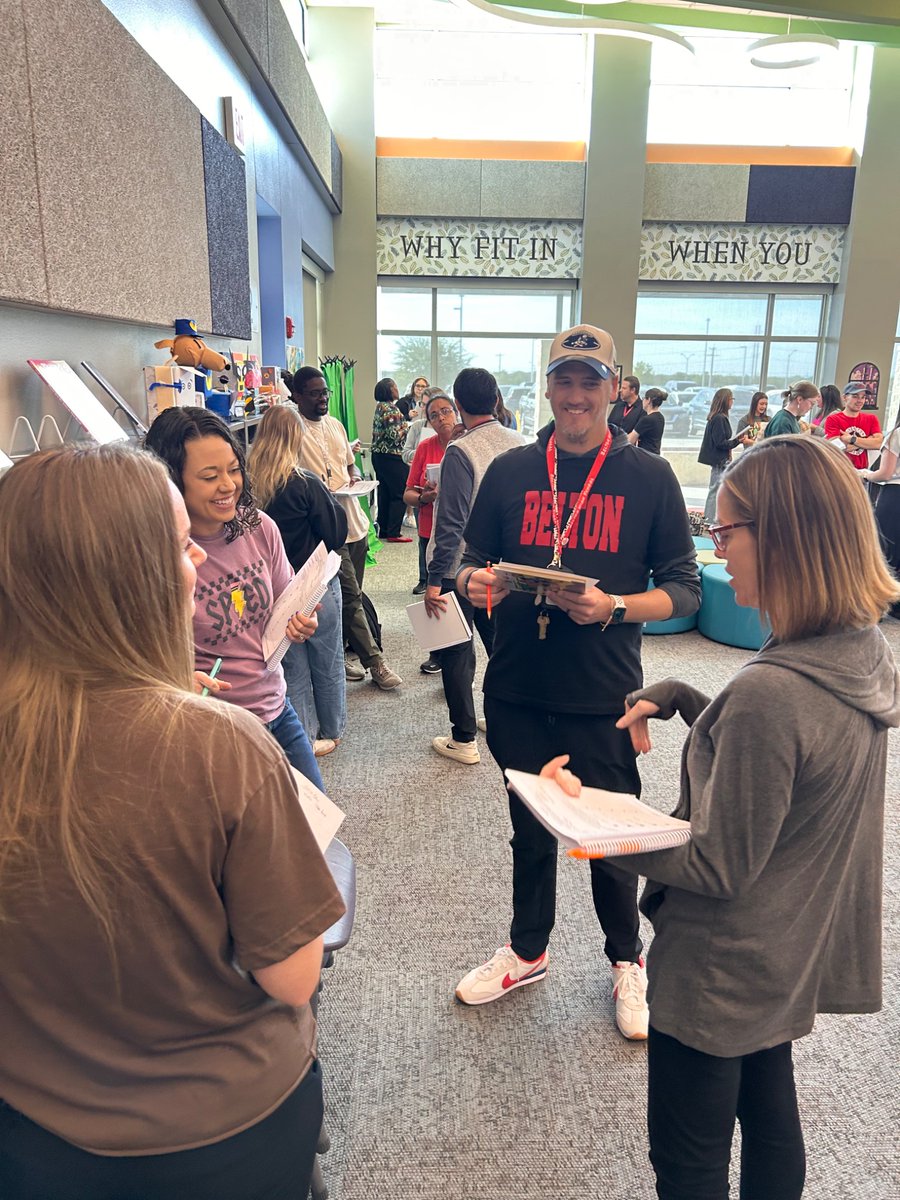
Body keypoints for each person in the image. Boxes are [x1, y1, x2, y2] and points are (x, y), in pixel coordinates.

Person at [544, 435, 899, 1200]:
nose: (718, 548)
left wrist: (593, 828)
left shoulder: (773, 692)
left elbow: (715, 863)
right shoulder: (856, 651)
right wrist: (689, 699)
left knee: (689, 1159)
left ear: (784, 537)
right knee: (771, 1117)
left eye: (726, 530)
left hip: (717, 969)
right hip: (785, 944)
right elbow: (791, 762)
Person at [0, 445, 345, 1200]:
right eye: (176, 540)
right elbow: (291, 976)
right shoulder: (221, 745)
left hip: (36, 1129)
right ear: (134, 575)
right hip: (216, 1131)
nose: (196, 555)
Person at [452, 324, 701, 1039]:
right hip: (518, 685)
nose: (576, 395)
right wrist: (475, 580)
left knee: (607, 839)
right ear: (549, 387)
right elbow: (469, 557)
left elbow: (683, 591)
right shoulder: (513, 470)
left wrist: (615, 605)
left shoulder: (648, 477)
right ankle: (528, 950)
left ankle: (628, 960)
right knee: (528, 832)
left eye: (591, 382)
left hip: (604, 693)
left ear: (615, 389)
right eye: (564, 380)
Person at [144, 407, 324, 788]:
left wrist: (300, 620)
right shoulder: (160, 558)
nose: (228, 485)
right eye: (209, 476)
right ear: (172, 484)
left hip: (275, 705)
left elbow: (284, 601)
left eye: (233, 469)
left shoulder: (258, 527)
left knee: (316, 832)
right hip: (216, 730)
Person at [425, 367, 525, 766]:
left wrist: (433, 580)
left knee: (454, 651)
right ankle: (504, 718)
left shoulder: (460, 451)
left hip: (459, 569)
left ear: (459, 405)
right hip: (506, 567)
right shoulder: (522, 443)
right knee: (501, 646)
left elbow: (450, 521)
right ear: (497, 398)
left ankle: (463, 738)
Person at [291, 367, 402, 691]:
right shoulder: (293, 430)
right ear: (297, 396)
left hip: (354, 521)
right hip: (325, 529)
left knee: (345, 599)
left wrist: (352, 474)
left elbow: (347, 463)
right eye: (314, 392)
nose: (323, 397)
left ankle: (339, 656)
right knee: (350, 596)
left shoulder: (336, 425)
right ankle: (376, 662)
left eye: (324, 391)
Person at [249, 405, 348, 757]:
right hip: (315, 586)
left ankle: (303, 738)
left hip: (273, 591)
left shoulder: (247, 487)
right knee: (328, 658)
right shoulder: (305, 482)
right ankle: (333, 731)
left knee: (292, 668)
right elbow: (337, 534)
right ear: (296, 438)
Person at [403, 390, 457, 608]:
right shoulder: (425, 448)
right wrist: (424, 498)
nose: (441, 418)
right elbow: (408, 493)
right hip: (430, 525)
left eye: (445, 411)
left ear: (456, 413)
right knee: (439, 599)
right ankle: (424, 580)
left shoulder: (466, 444)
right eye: (434, 415)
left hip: (461, 530)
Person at [862, 415, 900, 618]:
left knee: (884, 552)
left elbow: (885, 473)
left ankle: (877, 605)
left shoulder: (897, 435)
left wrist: (866, 474)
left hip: (894, 497)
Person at [698, 388, 752, 521]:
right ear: (726, 401)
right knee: (715, 490)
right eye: (731, 399)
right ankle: (709, 520)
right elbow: (720, 443)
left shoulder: (717, 417)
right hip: (719, 460)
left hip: (720, 460)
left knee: (717, 490)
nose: (732, 402)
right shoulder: (719, 418)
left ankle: (712, 519)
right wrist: (736, 442)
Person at [371, 377, 411, 541]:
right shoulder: (391, 409)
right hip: (391, 456)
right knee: (400, 492)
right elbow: (394, 435)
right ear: (389, 390)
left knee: (385, 493)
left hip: (379, 456)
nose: (397, 388)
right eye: (394, 386)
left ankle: (385, 530)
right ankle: (394, 532)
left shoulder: (380, 407)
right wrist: (408, 426)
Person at [824, 381, 882, 470]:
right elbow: (836, 448)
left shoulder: (871, 419)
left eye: (863, 397)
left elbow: (879, 444)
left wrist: (852, 439)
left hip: (863, 472)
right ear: (844, 397)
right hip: (839, 469)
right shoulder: (833, 419)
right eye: (855, 396)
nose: (860, 401)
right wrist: (868, 441)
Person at [627, 387, 667, 455]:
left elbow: (630, 440)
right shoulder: (661, 417)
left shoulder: (646, 420)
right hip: (655, 456)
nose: (643, 401)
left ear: (648, 400)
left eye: (644, 398)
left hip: (645, 456)